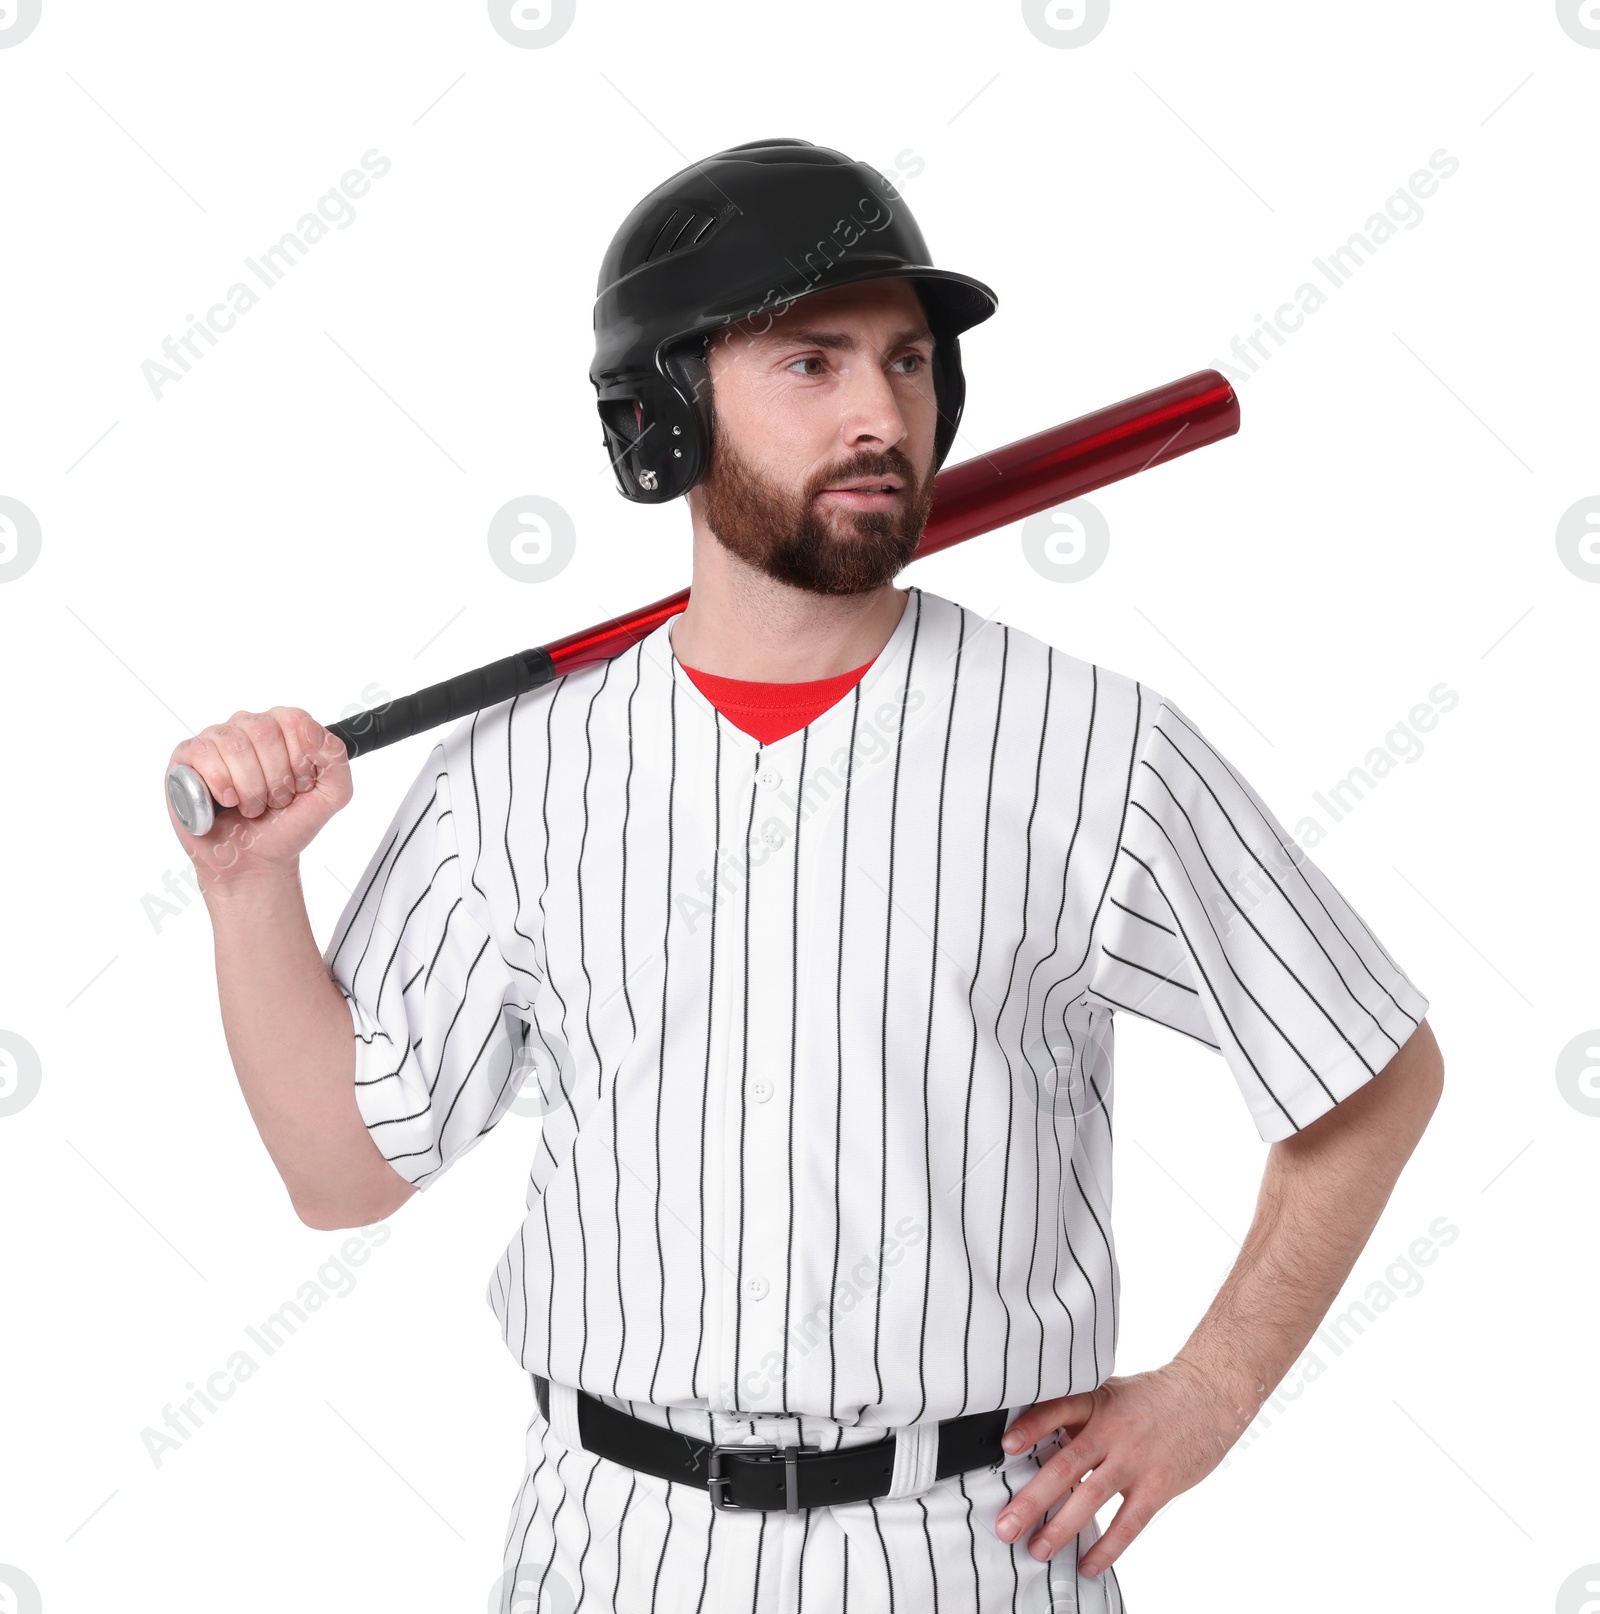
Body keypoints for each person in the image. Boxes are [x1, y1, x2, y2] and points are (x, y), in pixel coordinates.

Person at [167, 139, 1443, 1612]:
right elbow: (340, 1173)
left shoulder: (1094, 745)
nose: (879, 413)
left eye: (907, 364)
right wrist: (250, 890)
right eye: (810, 363)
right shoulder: (514, 775)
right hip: (614, 1549)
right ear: (663, 422)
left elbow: (1369, 1071)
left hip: (974, 1545)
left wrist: (1209, 1394)